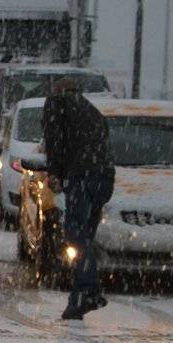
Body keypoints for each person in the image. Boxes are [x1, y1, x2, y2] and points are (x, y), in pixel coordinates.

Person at [41, 78, 115, 321]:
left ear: (58, 91)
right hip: (103, 178)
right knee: (85, 236)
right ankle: (77, 301)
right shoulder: (92, 111)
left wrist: (55, 173)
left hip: (81, 176)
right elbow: (103, 145)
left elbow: (54, 141)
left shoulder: (57, 104)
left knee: (76, 235)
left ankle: (88, 290)